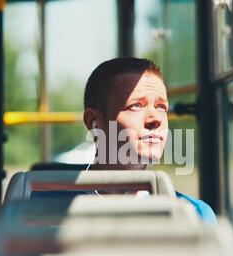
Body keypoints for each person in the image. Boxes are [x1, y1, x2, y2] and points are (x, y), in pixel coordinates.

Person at [82, 57, 216, 225]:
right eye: (136, 106)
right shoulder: (47, 207)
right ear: (94, 121)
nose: (155, 119)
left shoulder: (193, 215)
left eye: (161, 107)